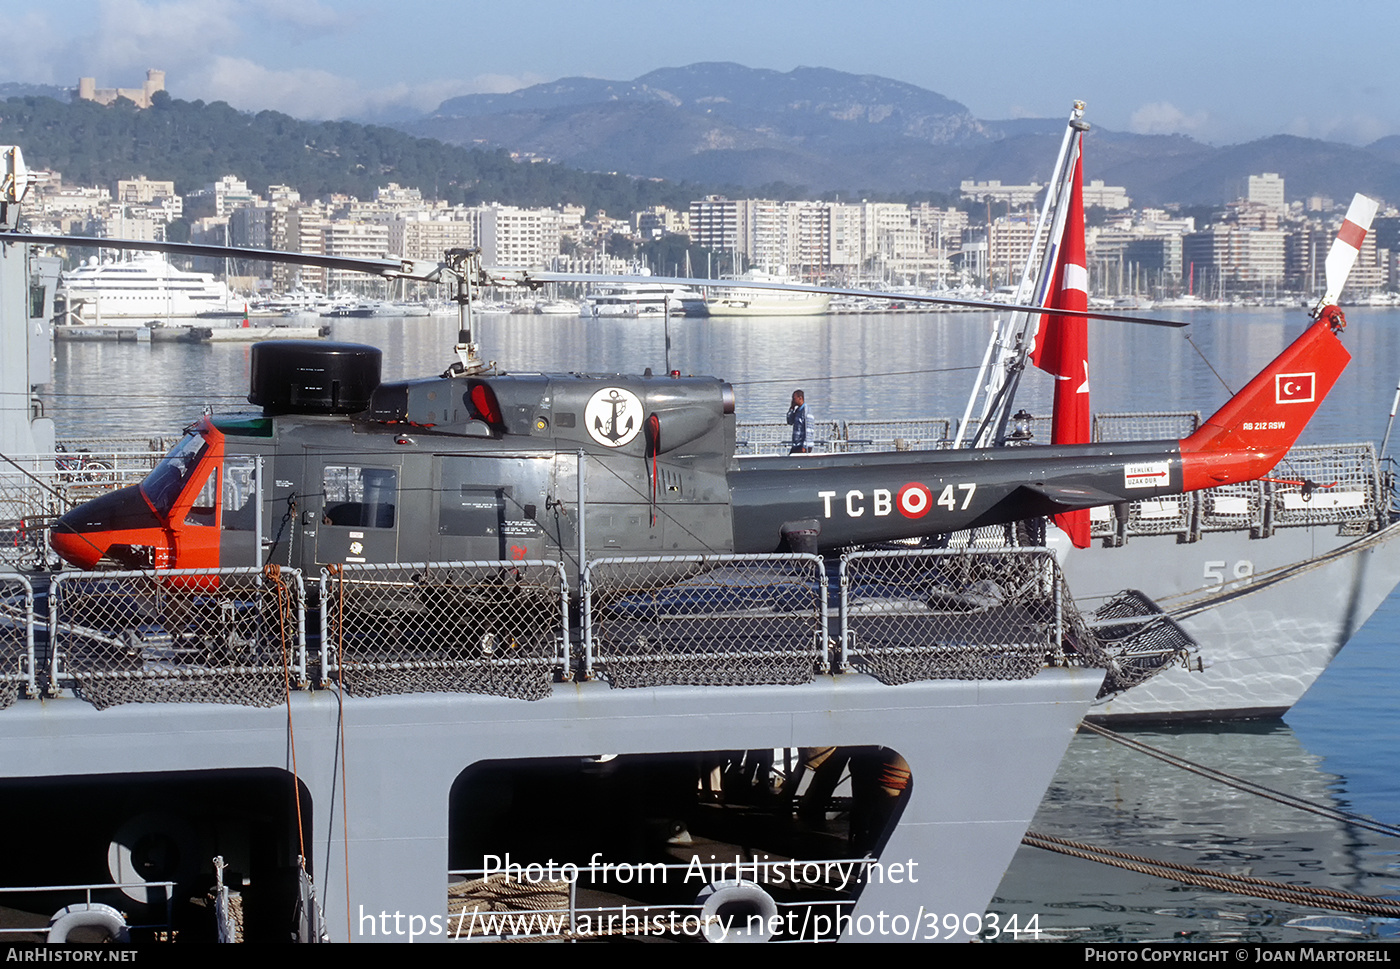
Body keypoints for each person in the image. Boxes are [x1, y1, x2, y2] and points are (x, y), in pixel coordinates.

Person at [786, 389, 812, 454]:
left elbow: (809, 429)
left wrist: (805, 446)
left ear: (800, 398)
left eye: (794, 399)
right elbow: (790, 421)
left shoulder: (806, 410)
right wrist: (791, 408)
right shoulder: (798, 410)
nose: (793, 401)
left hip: (803, 445)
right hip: (796, 444)